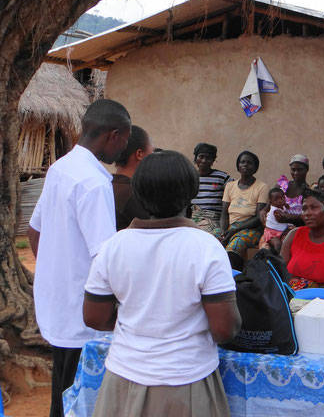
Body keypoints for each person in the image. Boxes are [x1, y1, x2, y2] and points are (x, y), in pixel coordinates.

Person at [83, 150, 240, 417]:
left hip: (123, 378)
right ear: (190, 192)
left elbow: (94, 317)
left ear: (139, 192)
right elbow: (225, 329)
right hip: (186, 382)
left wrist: (141, 323)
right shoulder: (206, 247)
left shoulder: (113, 246)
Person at [26, 99, 131, 417]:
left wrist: (54, 275)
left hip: (57, 305)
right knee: (77, 399)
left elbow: (34, 232)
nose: (123, 149)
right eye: (125, 140)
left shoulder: (60, 168)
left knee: (62, 391)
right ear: (113, 136)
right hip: (83, 314)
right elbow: (105, 257)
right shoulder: (94, 182)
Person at [281, 189, 324, 290]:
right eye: (304, 209)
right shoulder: (294, 235)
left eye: (314, 207)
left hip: (321, 301)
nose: (307, 213)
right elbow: (279, 272)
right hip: (287, 299)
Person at [220, 151, 269, 270]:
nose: (245, 165)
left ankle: (235, 279)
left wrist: (233, 231)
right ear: (238, 166)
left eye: (249, 163)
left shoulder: (262, 187)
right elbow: (224, 213)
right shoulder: (230, 186)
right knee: (210, 238)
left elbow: (258, 218)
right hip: (231, 226)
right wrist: (223, 232)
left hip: (250, 228)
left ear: (255, 168)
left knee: (236, 244)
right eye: (242, 162)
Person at [112, 125, 154, 230]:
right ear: (139, 154)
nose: (154, 158)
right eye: (152, 151)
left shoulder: (107, 184)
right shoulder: (134, 195)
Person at [191, 142, 232, 237]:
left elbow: (235, 193)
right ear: (195, 158)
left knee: (200, 235)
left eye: (208, 158)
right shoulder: (190, 178)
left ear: (213, 161)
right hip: (194, 218)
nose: (204, 160)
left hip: (214, 220)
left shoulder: (222, 178)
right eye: (201, 156)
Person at [272, 154, 310, 227]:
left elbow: (306, 217)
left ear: (307, 169)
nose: (296, 173)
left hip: (296, 229)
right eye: (293, 170)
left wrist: (286, 216)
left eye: (300, 170)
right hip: (275, 226)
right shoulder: (282, 185)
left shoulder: (308, 192)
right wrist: (263, 212)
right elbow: (269, 204)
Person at [260, 187, 291, 251]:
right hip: (272, 232)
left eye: (282, 198)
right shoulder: (275, 211)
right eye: (276, 199)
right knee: (278, 244)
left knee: (289, 240)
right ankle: (277, 258)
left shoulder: (282, 206)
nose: (280, 201)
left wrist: (285, 205)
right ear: (271, 202)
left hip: (281, 231)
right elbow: (283, 216)